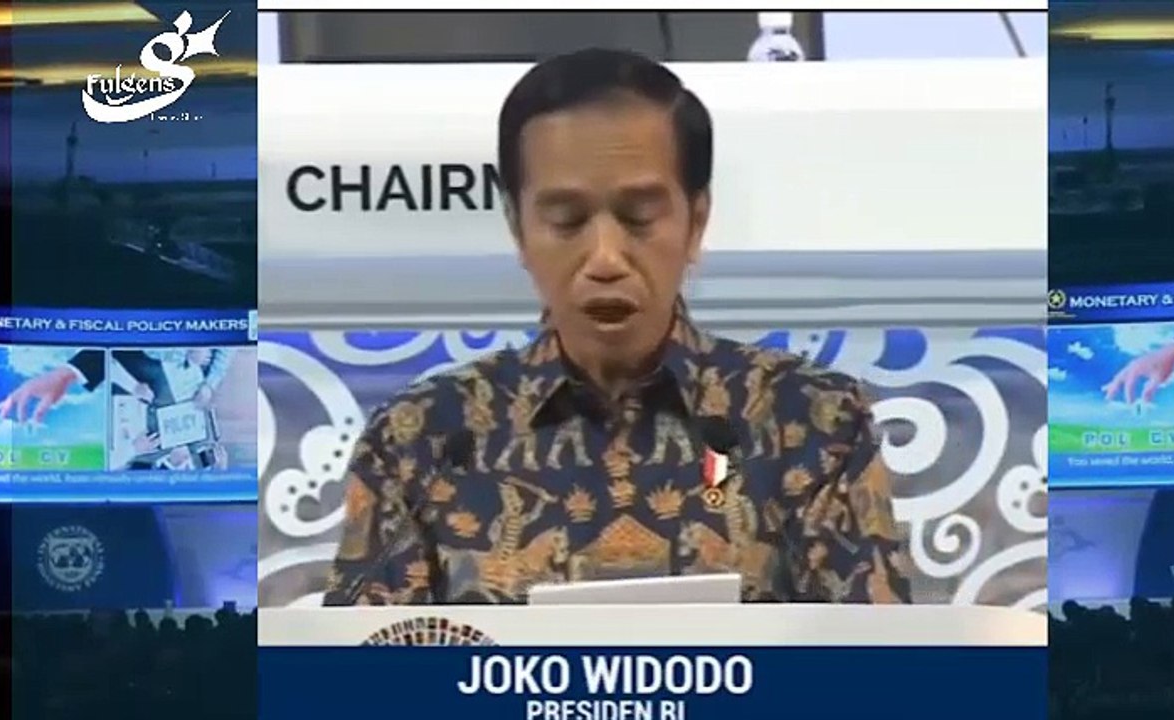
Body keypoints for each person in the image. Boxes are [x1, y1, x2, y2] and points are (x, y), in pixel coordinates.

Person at [324, 48, 910, 606]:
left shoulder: (812, 422)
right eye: (566, 220)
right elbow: (363, 665)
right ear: (518, 229)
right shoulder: (420, 439)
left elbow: (878, 661)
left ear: (696, 221)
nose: (605, 259)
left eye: (639, 217)